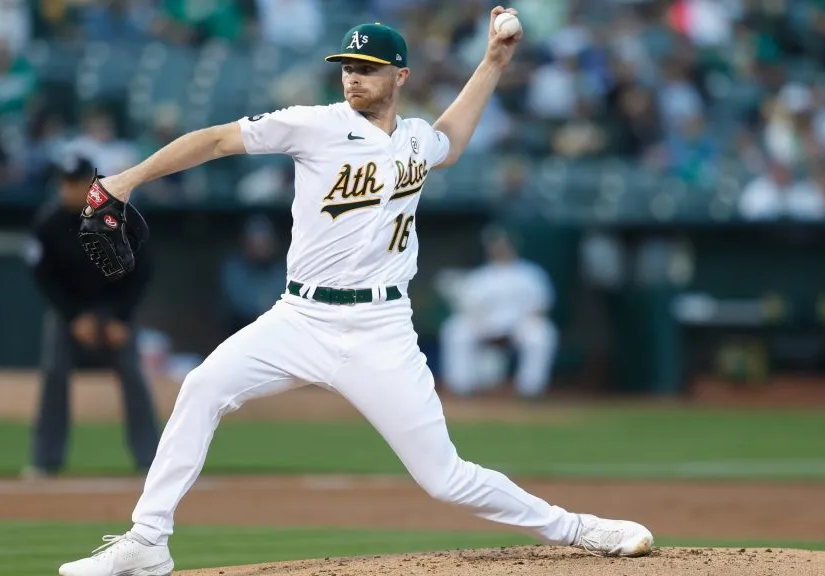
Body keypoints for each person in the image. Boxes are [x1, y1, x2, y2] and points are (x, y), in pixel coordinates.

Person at [57, 10, 653, 576]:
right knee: (203, 386)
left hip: (381, 330)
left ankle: (579, 529)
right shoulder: (314, 124)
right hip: (298, 317)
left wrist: (494, 60)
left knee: (443, 477)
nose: (352, 76)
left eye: (366, 68)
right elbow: (216, 141)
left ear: (400, 76)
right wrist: (123, 181)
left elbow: (451, 137)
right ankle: (147, 542)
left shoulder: (416, 141)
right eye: (347, 66)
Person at [25, 152, 161, 479]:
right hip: (70, 314)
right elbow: (44, 278)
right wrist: (74, 317)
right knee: (55, 374)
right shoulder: (49, 223)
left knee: (132, 376)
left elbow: (142, 270)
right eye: (65, 183)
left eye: (76, 182)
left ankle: (152, 461)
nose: (69, 189)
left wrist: (120, 317)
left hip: (115, 313)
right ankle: (45, 461)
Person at [439, 225, 558, 398]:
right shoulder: (481, 276)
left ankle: (531, 389)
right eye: (496, 246)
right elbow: (467, 308)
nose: (500, 249)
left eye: (504, 245)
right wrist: (480, 321)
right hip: (486, 323)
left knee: (541, 334)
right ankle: (461, 387)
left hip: (521, 324)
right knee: (456, 330)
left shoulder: (531, 273)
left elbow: (542, 306)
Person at [219, 214, 287, 336]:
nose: (261, 247)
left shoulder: (282, 270)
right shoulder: (233, 267)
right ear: (246, 243)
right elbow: (238, 303)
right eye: (256, 242)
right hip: (240, 332)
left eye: (265, 242)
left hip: (276, 334)